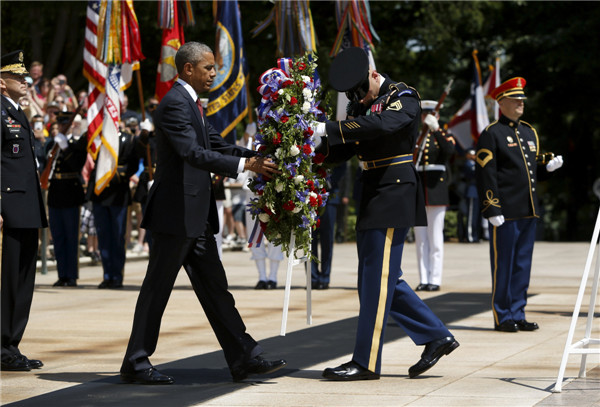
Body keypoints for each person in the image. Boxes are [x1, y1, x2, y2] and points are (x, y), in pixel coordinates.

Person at [120, 42, 286, 385]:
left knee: (215, 287)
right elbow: (192, 153)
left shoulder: (192, 104)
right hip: (174, 213)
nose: (214, 73)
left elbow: (219, 145)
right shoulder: (173, 104)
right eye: (208, 68)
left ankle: (242, 356)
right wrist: (245, 165)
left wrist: (266, 155)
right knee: (157, 288)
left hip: (194, 216)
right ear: (188, 70)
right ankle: (135, 362)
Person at [314, 47, 458, 381]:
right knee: (376, 281)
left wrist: (332, 128)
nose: (359, 101)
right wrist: (310, 147)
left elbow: (382, 125)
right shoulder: (360, 105)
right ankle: (437, 336)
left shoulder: (403, 95)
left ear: (374, 76)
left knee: (376, 281)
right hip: (372, 190)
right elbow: (347, 147)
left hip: (394, 191)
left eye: (362, 93)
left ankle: (365, 362)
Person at [476, 77, 563, 333]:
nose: (520, 104)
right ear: (501, 103)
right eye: (515, 100)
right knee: (503, 265)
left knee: (522, 265)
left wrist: (547, 168)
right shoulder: (492, 133)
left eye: (522, 100)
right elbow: (486, 173)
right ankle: (502, 316)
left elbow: (532, 170)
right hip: (506, 212)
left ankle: (518, 312)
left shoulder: (528, 131)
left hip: (529, 210)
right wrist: (491, 208)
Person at [1, 50, 48, 371]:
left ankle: (11, 346)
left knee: (22, 281)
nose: (25, 82)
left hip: (27, 207)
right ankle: (3, 346)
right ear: (2, 83)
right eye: (18, 77)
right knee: (7, 282)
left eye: (25, 77)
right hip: (9, 208)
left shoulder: (18, 112)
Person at [86, 121, 139, 289]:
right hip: (100, 194)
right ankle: (107, 275)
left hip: (118, 194)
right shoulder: (98, 139)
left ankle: (117, 275)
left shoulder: (129, 139)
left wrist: (112, 175)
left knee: (117, 237)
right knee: (104, 238)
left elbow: (133, 165)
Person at [413, 101, 456, 292]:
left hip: (436, 190)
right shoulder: (417, 136)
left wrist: (436, 129)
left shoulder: (444, 135)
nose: (427, 117)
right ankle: (424, 277)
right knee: (421, 239)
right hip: (419, 190)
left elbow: (449, 152)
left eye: (432, 114)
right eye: (425, 115)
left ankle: (435, 279)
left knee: (436, 238)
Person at [46, 111, 88, 287]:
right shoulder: (52, 143)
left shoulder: (77, 143)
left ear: (71, 125)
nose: (62, 127)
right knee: (58, 237)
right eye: (60, 124)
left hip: (70, 193)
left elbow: (77, 165)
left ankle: (71, 275)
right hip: (55, 193)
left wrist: (65, 148)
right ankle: (62, 273)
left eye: (65, 124)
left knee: (71, 237)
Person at [310, 162, 348, 290]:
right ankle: (312, 278)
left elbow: (343, 165)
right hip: (310, 196)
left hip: (330, 195)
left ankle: (325, 278)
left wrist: (327, 181)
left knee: (327, 239)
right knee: (310, 239)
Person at [457, 148, 481, 243]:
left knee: (476, 216)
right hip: (471, 192)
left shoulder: (475, 164)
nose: (474, 156)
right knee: (471, 216)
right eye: (472, 154)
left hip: (477, 192)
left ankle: (476, 235)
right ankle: (470, 236)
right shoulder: (468, 164)